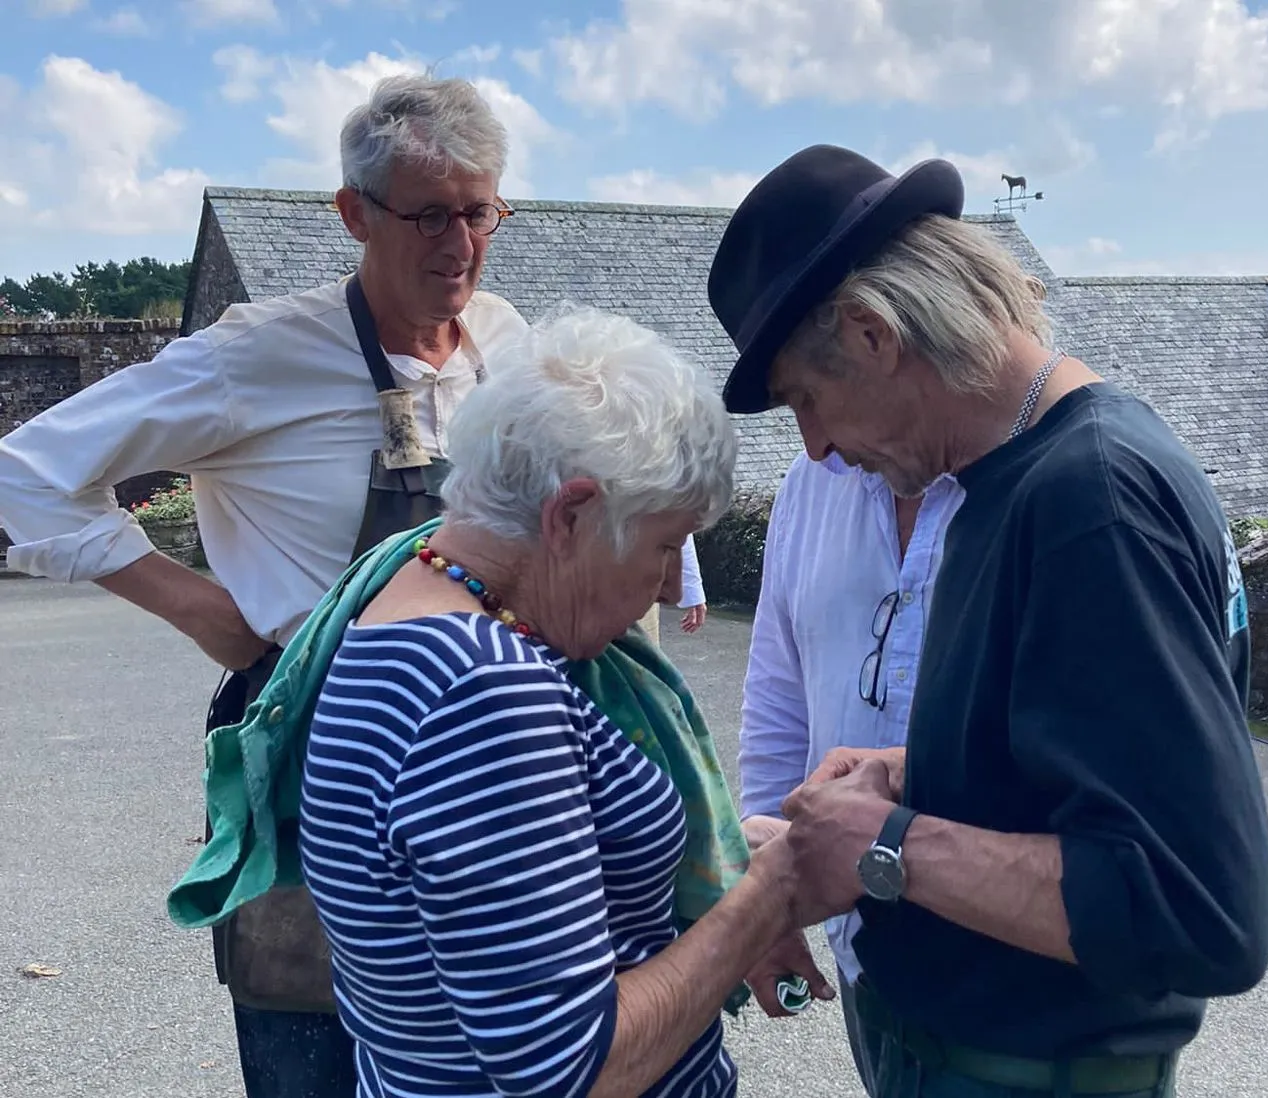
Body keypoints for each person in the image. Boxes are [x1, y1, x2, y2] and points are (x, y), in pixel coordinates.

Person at [706, 144, 1268, 1097]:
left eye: (805, 400)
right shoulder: (1016, 480)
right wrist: (908, 772)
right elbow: (1074, 764)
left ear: (872, 335)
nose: (816, 448)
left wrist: (886, 845)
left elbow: (1199, 908)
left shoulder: (1091, 502)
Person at [0, 73, 533, 1097]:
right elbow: (24, 473)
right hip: (311, 752)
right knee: (311, 1043)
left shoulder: (506, 345)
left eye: (480, 213)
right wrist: (202, 610)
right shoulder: (256, 356)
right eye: (429, 215)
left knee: (487, 1045)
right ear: (354, 213)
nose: (461, 244)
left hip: (486, 756)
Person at [298, 304, 825, 1098]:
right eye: (664, 545)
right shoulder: (483, 692)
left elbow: (530, 882)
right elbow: (568, 1070)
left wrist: (726, 854)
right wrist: (768, 893)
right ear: (571, 514)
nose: (669, 584)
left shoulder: (403, 597)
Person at [736, 452, 959, 1093]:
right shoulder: (812, 483)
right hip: (863, 961)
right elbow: (779, 691)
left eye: (809, 401)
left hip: (1020, 990)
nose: (811, 440)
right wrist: (768, 893)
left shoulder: (1042, 485)